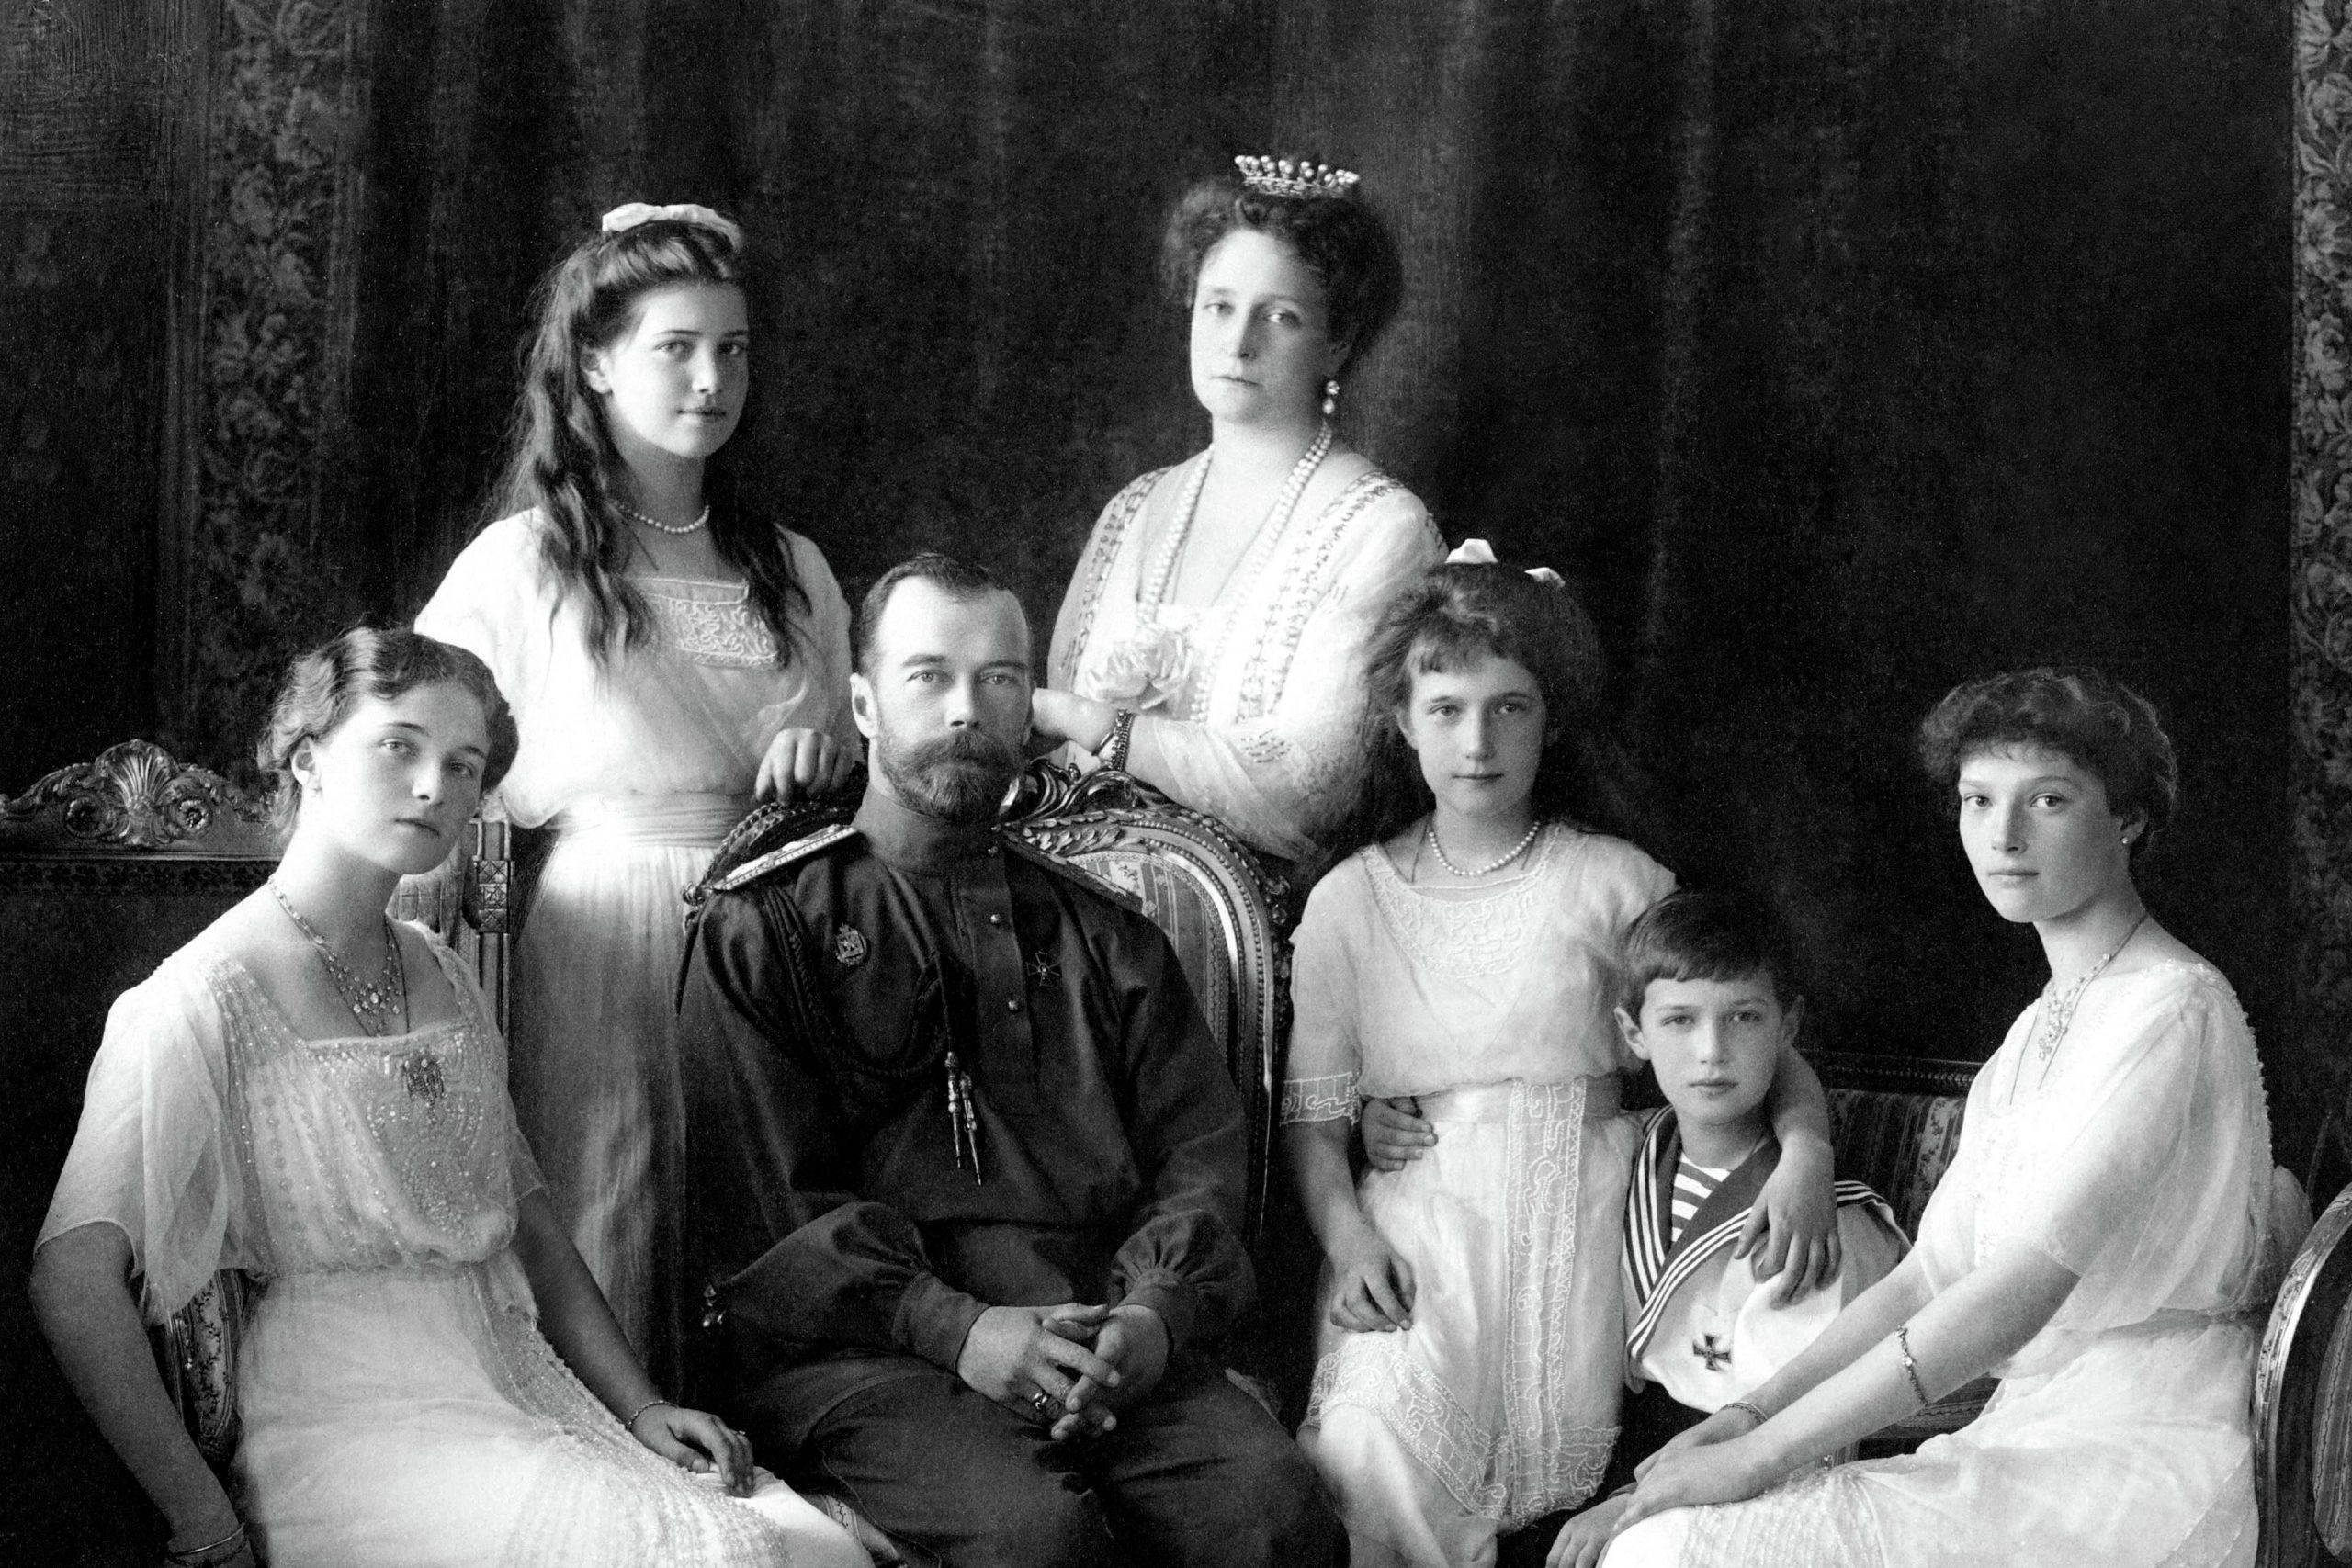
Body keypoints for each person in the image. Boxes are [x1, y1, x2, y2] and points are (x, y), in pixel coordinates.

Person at [28, 627, 869, 1568]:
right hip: (343, 1430)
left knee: (812, 1547)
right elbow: (71, 1281)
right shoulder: (197, 999)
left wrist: (640, 1404)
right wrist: (201, 1519)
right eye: (400, 746)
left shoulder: (440, 970)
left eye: (465, 767)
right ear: (310, 758)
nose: (436, 785)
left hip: (513, 1386)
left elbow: (532, 1222)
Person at [672, 552, 1342, 1568]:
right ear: (862, 699)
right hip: (866, 1352)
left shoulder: (1107, 936)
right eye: (928, 676)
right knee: (1038, 1543)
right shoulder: (767, 929)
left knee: (1273, 1518)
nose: (965, 709)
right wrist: (961, 1330)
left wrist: (1150, 1323)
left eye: (996, 680)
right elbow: (768, 1209)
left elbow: (1197, 1154)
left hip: (1101, 1335)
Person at [1602, 667, 2310, 1568]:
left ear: (2128, 818)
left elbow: (2013, 1298)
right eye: (1979, 800)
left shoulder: (2171, 1011)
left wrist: (1758, 1459)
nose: (2003, 836)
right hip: (2031, 1434)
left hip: (2143, 1458)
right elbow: (1925, 1278)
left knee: (1681, 1550)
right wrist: (1745, 1418)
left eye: (2046, 799)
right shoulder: (2029, 1037)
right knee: (1671, 1539)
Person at [1281, 549, 1843, 1568]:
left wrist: (1804, 1157)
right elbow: (1312, 1121)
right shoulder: (1348, 903)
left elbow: (1742, 1031)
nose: (1478, 743)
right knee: (1366, 1450)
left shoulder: (1611, 878)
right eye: (1445, 709)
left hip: (1592, 1218)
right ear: (1401, 720)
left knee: (1608, 1496)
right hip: (1419, 1225)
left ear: (1550, 720)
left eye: (1510, 708)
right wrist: (1350, 1240)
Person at [415, 201, 856, 1380]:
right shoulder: (528, 565)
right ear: (599, 362)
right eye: (677, 347)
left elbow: (855, 784)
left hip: (774, 933)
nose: (711, 380)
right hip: (601, 934)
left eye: (733, 350)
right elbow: (421, 750)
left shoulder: (795, 573)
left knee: (763, 1206)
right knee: (613, 1193)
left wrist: (817, 784)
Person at [1033, 154, 1443, 863]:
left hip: (1261, 928)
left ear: (1338, 342)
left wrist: (1104, 726)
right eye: (1218, 305)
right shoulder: (1133, 509)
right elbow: (1056, 750)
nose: (1238, 341)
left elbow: (1315, 784)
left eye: (1279, 316)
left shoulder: (1384, 531)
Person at [1538, 890, 1907, 1568]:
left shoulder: (1814, 1223)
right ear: (1634, 1034)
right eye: (1680, 1020)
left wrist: (1629, 1502)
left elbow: (1790, 1433)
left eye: (1743, 1016)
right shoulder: (1629, 1151)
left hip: (1757, 1472)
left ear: (1786, 1026)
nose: (1712, 1051)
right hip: (1632, 1451)